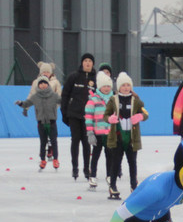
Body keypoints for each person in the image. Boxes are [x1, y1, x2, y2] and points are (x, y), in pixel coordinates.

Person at [105, 72, 148, 196]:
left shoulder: (136, 100)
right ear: (118, 87)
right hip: (117, 137)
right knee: (116, 162)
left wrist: (140, 116)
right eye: (123, 85)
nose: (125, 87)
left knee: (132, 162)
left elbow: (146, 114)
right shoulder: (113, 100)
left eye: (128, 85)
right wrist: (110, 119)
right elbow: (105, 115)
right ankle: (112, 185)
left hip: (131, 138)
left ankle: (134, 186)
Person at [61, 52, 96, 180]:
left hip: (89, 116)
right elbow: (65, 95)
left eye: (90, 61)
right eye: (85, 60)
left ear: (93, 64)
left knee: (87, 143)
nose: (87, 63)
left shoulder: (96, 78)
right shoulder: (73, 77)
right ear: (82, 63)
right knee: (75, 140)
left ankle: (87, 169)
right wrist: (64, 113)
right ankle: (74, 168)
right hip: (74, 114)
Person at [16, 77, 61, 169]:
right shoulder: (35, 96)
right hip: (41, 123)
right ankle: (43, 160)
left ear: (48, 85)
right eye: (41, 83)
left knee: (54, 141)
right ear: (38, 85)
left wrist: (71, 100)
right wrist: (20, 103)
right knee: (43, 142)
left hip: (52, 122)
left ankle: (55, 159)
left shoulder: (54, 95)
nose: (43, 85)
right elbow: (27, 103)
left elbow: (63, 101)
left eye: (45, 83)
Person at [85, 71, 114, 188]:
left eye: (108, 86)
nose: (106, 88)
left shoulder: (113, 99)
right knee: (96, 155)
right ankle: (92, 175)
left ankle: (109, 175)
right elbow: (88, 117)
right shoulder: (93, 100)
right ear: (99, 87)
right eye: (104, 86)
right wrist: (90, 132)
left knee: (110, 155)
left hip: (110, 133)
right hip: (97, 133)